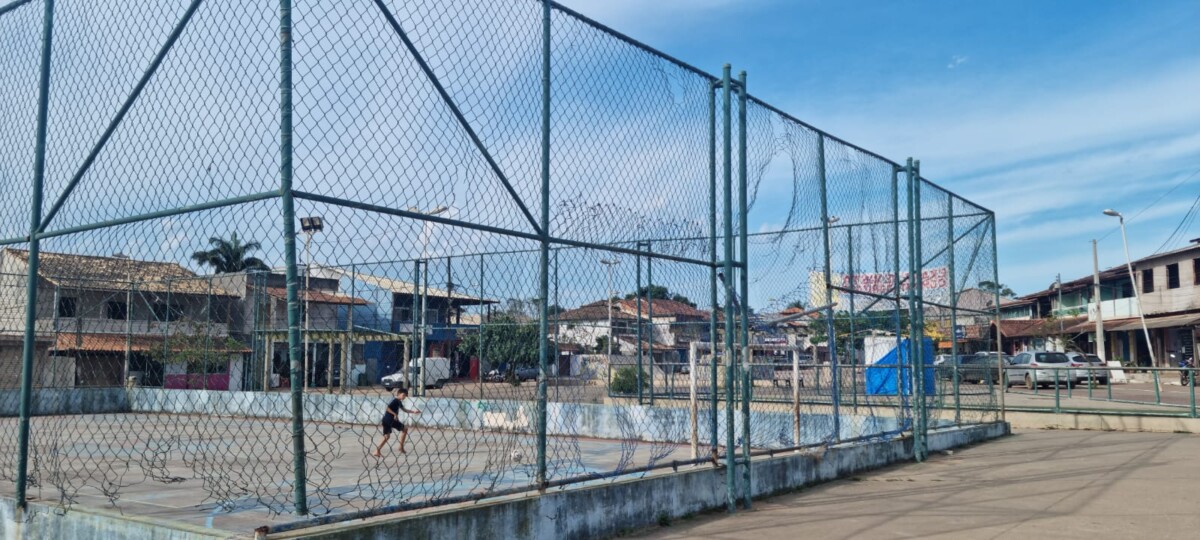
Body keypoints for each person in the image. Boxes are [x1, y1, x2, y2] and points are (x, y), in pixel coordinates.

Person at [373, 386, 421, 457]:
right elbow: (387, 408)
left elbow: (404, 410)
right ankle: (399, 447)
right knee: (400, 431)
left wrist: (414, 411)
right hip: (388, 419)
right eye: (403, 395)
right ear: (398, 394)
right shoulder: (395, 400)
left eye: (405, 396)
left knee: (390, 435)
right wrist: (394, 414)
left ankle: (378, 450)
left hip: (390, 420)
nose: (404, 397)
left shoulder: (399, 402)